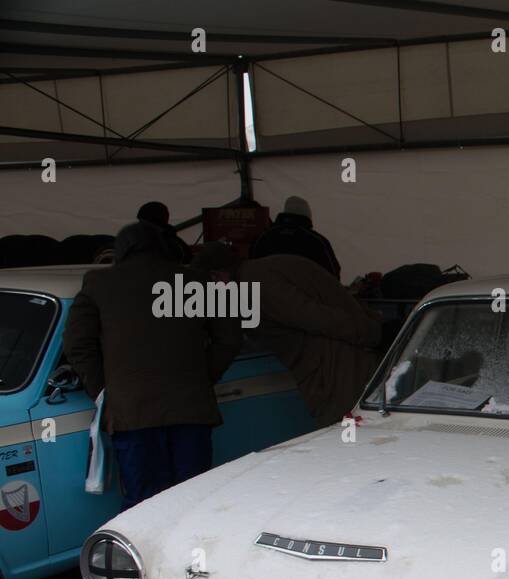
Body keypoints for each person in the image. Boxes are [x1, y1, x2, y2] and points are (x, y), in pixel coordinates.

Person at [64, 224, 241, 510]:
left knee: (143, 504)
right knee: (194, 497)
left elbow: (77, 345)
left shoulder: (99, 283)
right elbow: (230, 338)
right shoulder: (195, 281)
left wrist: (105, 391)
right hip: (190, 407)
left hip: (132, 412)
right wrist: (203, 377)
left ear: (120, 250)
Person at [191, 242, 381, 428]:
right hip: (344, 361)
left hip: (336, 369)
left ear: (216, 276)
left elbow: (314, 317)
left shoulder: (255, 284)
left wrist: (373, 333)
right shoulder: (268, 268)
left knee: (343, 438)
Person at [249, 196, 341, 278]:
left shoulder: (263, 237)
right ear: (307, 215)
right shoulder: (316, 241)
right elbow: (333, 275)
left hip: (266, 294)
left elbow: (250, 269)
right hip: (303, 295)